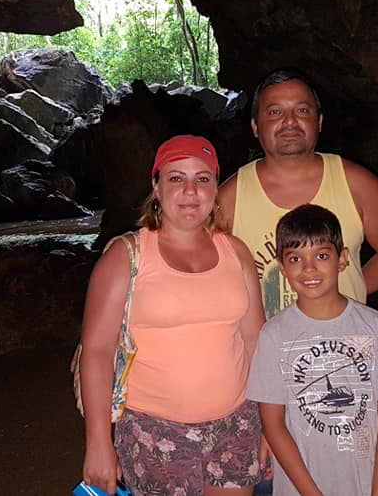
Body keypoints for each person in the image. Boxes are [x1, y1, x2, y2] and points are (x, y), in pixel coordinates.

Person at [79, 135, 267, 496]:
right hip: (154, 431)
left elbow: (255, 339)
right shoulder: (125, 256)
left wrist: (270, 422)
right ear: (157, 186)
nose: (190, 191)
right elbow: (98, 350)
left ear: (215, 187)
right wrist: (98, 443)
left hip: (237, 423)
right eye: (176, 178)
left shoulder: (236, 252)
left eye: (202, 179)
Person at [246, 204, 378, 495]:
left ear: (343, 259)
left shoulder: (375, 327)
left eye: (322, 255)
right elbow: (273, 424)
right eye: (296, 258)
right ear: (283, 267)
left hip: (366, 484)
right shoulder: (273, 336)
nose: (309, 268)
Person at [217, 68, 378, 320]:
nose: (290, 121)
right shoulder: (230, 198)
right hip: (266, 342)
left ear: (319, 122)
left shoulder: (357, 184)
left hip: (344, 339)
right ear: (255, 126)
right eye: (275, 112)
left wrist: (346, 297)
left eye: (302, 110)